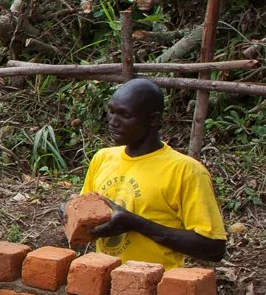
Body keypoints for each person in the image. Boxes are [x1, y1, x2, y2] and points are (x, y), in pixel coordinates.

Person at [75, 79, 226, 268]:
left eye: (125, 115)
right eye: (111, 111)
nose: (113, 122)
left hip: (157, 289)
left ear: (153, 119)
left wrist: (136, 224)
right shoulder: (103, 158)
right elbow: (88, 216)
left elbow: (213, 248)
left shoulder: (186, 171)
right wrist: (71, 214)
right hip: (104, 284)